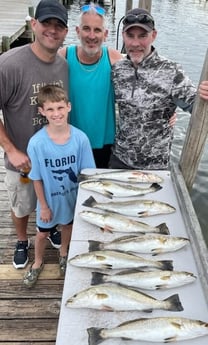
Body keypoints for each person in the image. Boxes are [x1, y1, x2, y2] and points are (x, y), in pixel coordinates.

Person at [0, 0, 69, 269]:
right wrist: (11, 149)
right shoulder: (9, 64)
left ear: (65, 32)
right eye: (46, 23)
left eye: (59, 26)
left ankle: (50, 227)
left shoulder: (63, 65)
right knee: (21, 204)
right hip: (22, 161)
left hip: (54, 157)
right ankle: (21, 240)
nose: (52, 30)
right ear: (34, 24)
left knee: (51, 198)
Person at [109, 8, 208, 170]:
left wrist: (203, 98)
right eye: (130, 36)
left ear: (153, 35)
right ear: (123, 36)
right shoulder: (117, 70)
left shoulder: (171, 71)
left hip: (156, 167)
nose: (135, 43)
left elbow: (197, 109)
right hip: (120, 161)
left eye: (142, 36)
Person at [23, 85, 95, 287]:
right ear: (42, 112)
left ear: (69, 107)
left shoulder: (80, 138)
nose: (56, 114)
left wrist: (85, 202)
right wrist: (43, 206)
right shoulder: (36, 143)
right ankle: (37, 262)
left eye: (60, 108)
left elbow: (87, 174)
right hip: (48, 201)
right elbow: (36, 177)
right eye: (51, 109)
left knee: (68, 226)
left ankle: (63, 252)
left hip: (72, 198)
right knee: (42, 233)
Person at [59, 3, 123, 168]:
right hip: (70, 142)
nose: (92, 36)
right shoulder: (64, 56)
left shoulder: (115, 59)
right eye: (86, 28)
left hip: (104, 143)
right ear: (78, 31)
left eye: (97, 30)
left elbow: (143, 87)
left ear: (106, 34)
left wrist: (167, 112)